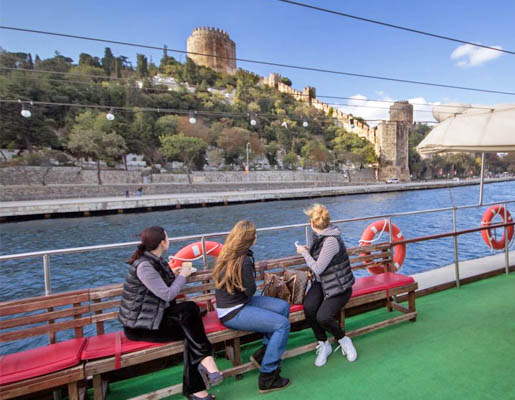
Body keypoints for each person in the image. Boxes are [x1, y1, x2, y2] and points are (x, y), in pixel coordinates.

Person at [118, 226, 222, 400]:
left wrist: (174, 274)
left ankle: (198, 388)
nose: (169, 240)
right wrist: (184, 275)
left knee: (191, 314)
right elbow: (167, 294)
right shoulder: (144, 266)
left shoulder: (155, 260)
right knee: (192, 330)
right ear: (162, 243)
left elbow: (160, 287)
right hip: (140, 327)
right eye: (167, 238)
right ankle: (205, 362)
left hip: (155, 318)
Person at [213, 220, 291, 393]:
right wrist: (256, 275)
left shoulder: (230, 253)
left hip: (240, 303)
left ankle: (263, 355)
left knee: (283, 307)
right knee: (282, 325)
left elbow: (244, 292)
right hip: (233, 312)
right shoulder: (244, 260)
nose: (257, 236)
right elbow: (250, 291)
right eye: (255, 234)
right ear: (249, 238)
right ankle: (268, 376)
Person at [295, 204, 357, 367]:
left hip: (339, 287)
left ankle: (343, 339)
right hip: (323, 284)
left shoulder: (330, 240)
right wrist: (310, 251)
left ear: (312, 223)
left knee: (323, 316)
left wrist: (304, 253)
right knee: (309, 307)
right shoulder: (322, 235)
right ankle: (323, 343)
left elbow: (317, 268)